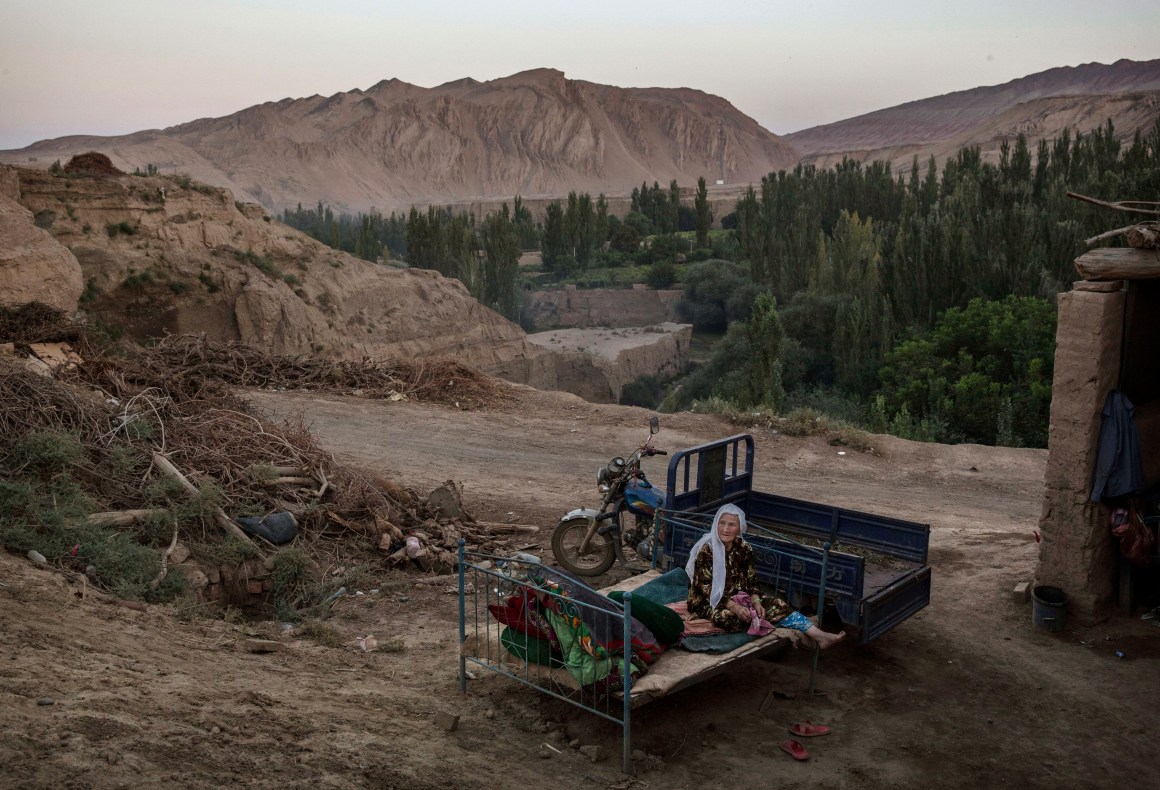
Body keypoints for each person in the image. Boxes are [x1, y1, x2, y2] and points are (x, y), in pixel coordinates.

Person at [685, 503, 846, 649]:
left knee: (777, 604)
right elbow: (705, 587)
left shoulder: (744, 548)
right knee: (726, 618)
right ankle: (762, 621)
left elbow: (751, 579)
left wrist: (755, 602)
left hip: (738, 596)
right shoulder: (707, 551)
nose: (725, 529)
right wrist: (735, 607)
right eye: (722, 523)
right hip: (707, 600)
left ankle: (819, 636)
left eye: (731, 524)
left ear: (740, 528)